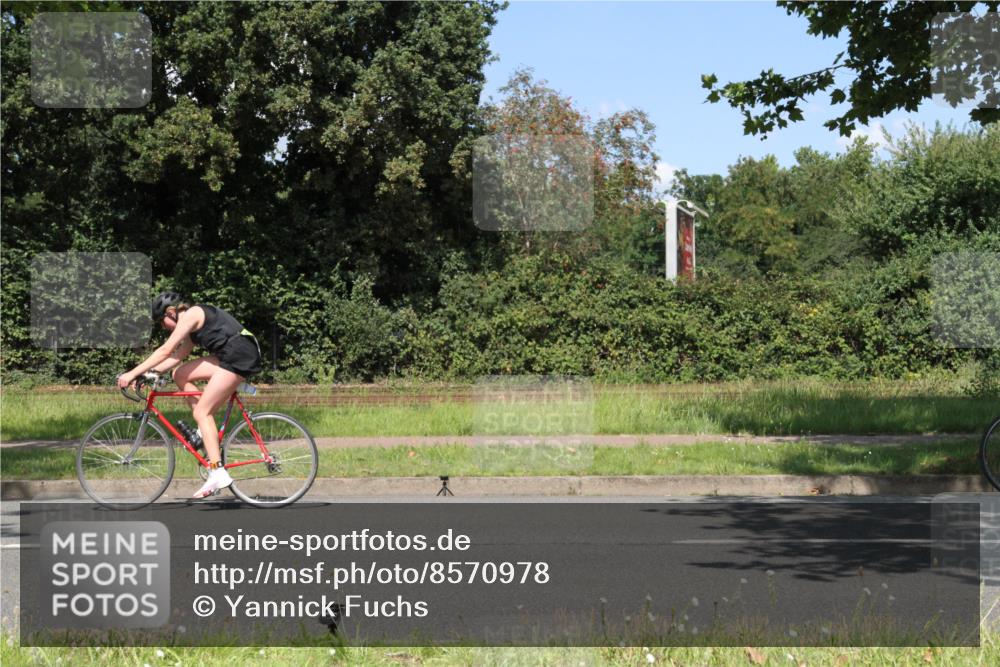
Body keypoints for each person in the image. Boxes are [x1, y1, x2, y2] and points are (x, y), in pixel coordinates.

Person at [118, 292, 262, 498]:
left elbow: (166, 350)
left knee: (203, 412)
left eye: (162, 322)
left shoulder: (193, 314)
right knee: (181, 373)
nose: (163, 327)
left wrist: (132, 372)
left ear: (171, 312)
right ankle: (204, 432)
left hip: (239, 354)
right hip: (232, 353)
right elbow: (176, 358)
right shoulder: (192, 329)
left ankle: (217, 471)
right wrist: (146, 374)